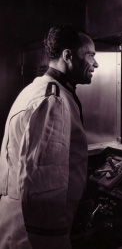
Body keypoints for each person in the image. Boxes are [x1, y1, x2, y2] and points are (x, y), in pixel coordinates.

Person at [0, 25, 99, 248]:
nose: (95, 63)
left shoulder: (37, 89)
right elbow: (43, 183)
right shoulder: (52, 100)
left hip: (18, 225)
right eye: (90, 55)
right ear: (68, 56)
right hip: (35, 236)